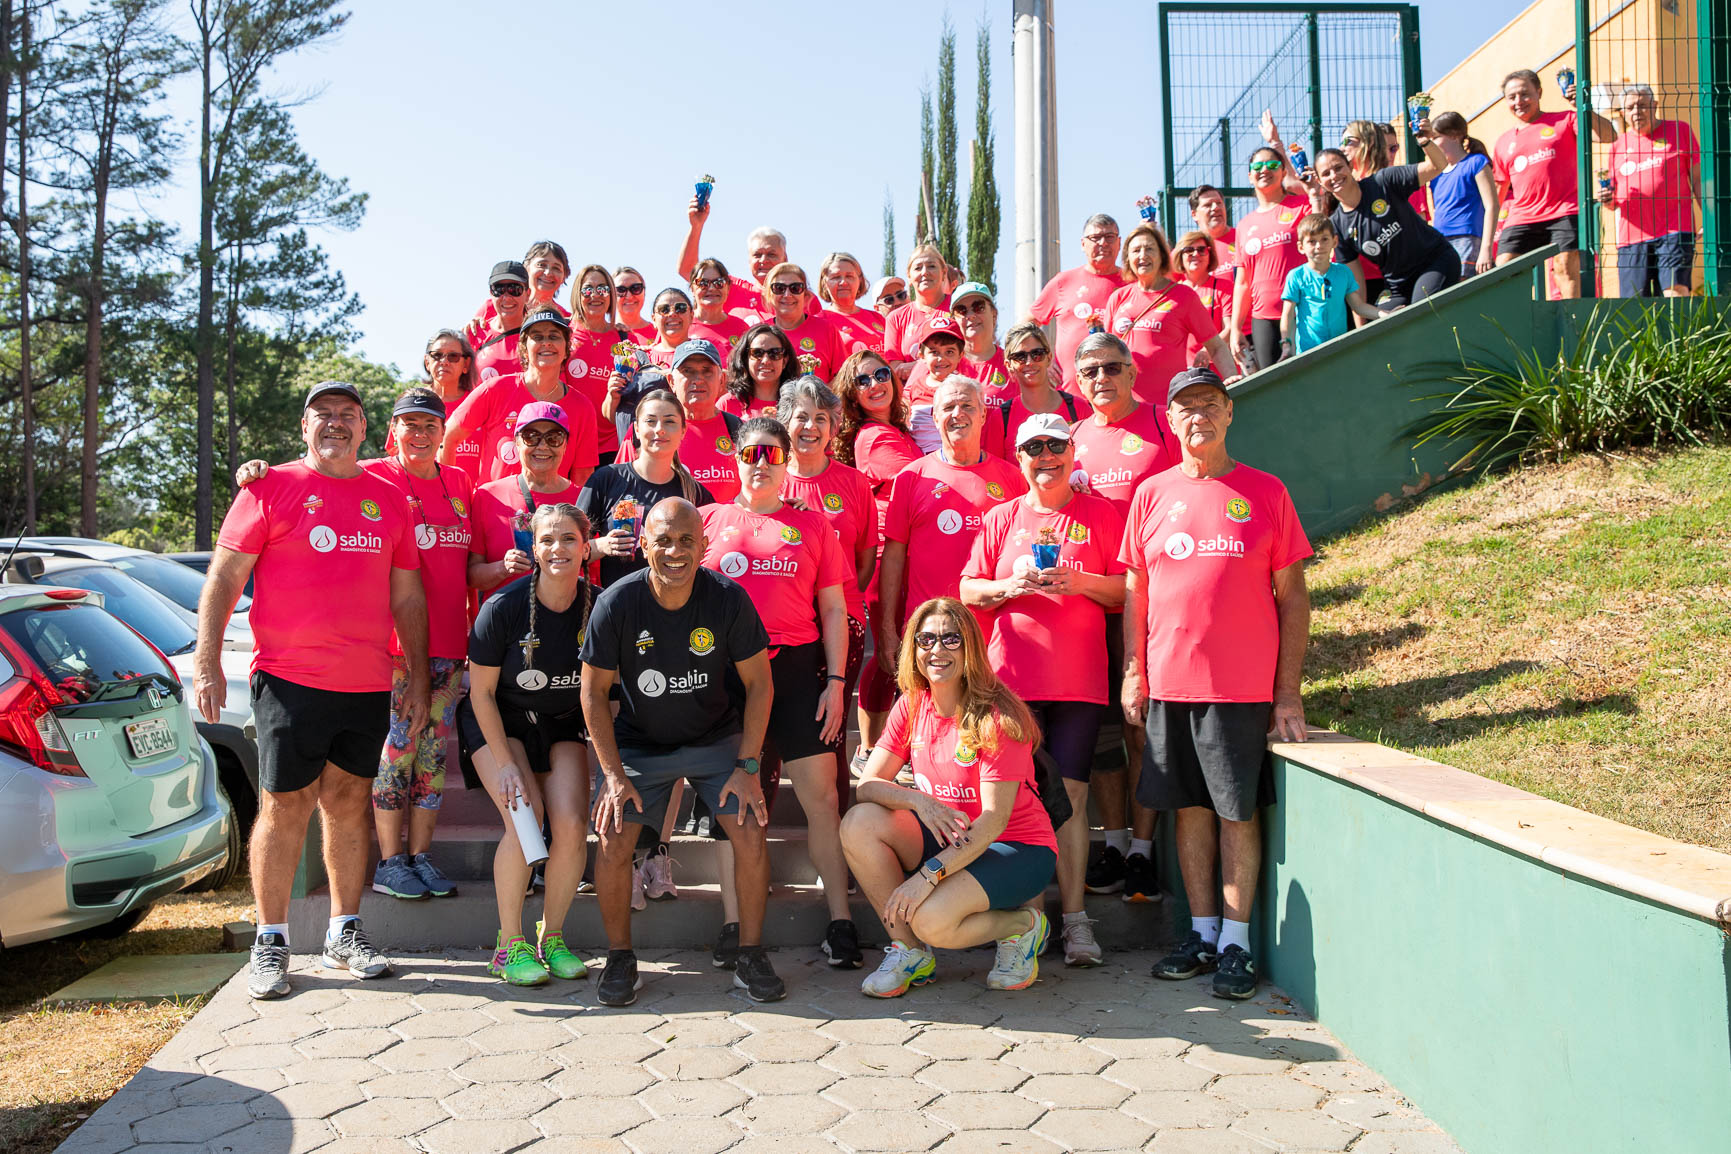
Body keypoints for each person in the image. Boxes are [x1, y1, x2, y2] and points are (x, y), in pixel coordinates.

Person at [195, 380, 428, 1000]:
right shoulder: (268, 487)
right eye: (323, 414)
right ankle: (270, 941)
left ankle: (343, 932)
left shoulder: (390, 499)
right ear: (304, 426)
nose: (335, 423)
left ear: (364, 429)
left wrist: (419, 675)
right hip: (289, 680)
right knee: (285, 805)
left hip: (366, 682)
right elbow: (224, 577)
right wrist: (207, 660)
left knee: (349, 803)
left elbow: (408, 595)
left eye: (348, 414)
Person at [1121, 366, 1312, 1001]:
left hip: (1240, 689)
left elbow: (1293, 597)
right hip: (1169, 685)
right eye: (1185, 407)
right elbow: (1136, 593)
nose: (1197, 415)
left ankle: (1237, 942)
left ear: (1229, 413)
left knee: (1235, 812)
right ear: (1170, 421)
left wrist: (1287, 692)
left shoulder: (1266, 491)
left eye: (1209, 403)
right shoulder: (1150, 494)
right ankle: (1202, 934)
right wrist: (1134, 672)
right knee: (1190, 811)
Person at [580, 498, 785, 1005]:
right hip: (640, 743)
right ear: (643, 544)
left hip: (714, 739)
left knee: (749, 826)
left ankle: (751, 954)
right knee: (612, 836)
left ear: (704, 545)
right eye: (664, 541)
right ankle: (620, 957)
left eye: (686, 541)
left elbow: (760, 685)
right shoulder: (617, 602)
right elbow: (592, 693)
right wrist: (613, 775)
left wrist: (748, 766)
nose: (675, 552)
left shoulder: (727, 599)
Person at [960, 414, 1126, 967]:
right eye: (1034, 447)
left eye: (1056, 445)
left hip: (1079, 684)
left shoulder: (1101, 515)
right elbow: (967, 589)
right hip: (1012, 686)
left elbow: (1129, 589)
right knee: (1019, 803)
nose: (1046, 456)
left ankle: (1076, 922)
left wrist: (1080, 582)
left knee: (1072, 799)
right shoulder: (1001, 517)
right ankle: (1028, 926)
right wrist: (1009, 586)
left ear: (1072, 452)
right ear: (1020, 458)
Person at [699, 416, 857, 970]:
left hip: (796, 673)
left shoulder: (813, 525)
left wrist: (836, 683)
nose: (760, 463)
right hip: (728, 679)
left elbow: (833, 609)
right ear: (736, 459)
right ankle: (734, 925)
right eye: (750, 453)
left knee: (824, 801)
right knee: (733, 806)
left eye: (771, 453)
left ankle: (840, 920)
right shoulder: (708, 520)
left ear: (787, 461)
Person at [841, 597, 1056, 996]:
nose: (936, 649)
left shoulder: (998, 716)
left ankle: (1023, 926)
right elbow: (868, 785)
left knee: (932, 921)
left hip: (1015, 847)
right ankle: (909, 952)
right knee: (860, 822)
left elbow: (992, 821)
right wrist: (919, 801)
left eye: (950, 639)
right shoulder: (911, 705)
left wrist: (927, 877)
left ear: (970, 646)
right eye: (926, 639)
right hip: (950, 836)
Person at [460, 503, 595, 985]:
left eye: (568, 539)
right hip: (500, 718)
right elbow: (480, 694)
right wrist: (505, 765)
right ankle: (509, 945)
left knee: (572, 824)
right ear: (532, 549)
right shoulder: (503, 607)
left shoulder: (601, 605)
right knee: (525, 818)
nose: (558, 548)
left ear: (586, 547)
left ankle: (552, 937)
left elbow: (606, 691)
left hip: (561, 721)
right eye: (547, 540)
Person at [1066, 334, 1174, 902]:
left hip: (1150, 606)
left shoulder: (1162, 424)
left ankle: (1143, 851)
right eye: (1090, 371)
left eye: (1112, 367)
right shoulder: (1073, 438)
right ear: (1078, 382)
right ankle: (1112, 843)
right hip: (1088, 608)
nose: (1101, 378)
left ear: (1132, 372)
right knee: (1105, 736)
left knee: (1142, 729)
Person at [879, 377, 1026, 688]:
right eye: (948, 407)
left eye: (967, 406)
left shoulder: (1013, 479)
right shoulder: (911, 477)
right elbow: (893, 557)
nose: (958, 414)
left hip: (995, 640)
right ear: (934, 417)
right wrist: (888, 630)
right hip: (929, 640)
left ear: (983, 414)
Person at [779, 376, 879, 803]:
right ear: (784, 422)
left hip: (843, 621)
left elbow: (865, 560)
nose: (811, 426)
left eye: (821, 418)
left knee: (831, 729)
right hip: (783, 624)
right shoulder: (769, 480)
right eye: (801, 416)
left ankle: (836, 829)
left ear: (834, 428)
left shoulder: (854, 483)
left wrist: (839, 601)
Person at [834, 349, 922, 769]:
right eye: (862, 380)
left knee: (900, 653)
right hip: (889, 556)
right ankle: (868, 748)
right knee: (890, 654)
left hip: (908, 554)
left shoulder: (898, 431)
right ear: (852, 395)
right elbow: (923, 478)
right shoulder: (873, 436)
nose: (875, 384)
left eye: (881, 374)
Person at [442, 308, 600, 490]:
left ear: (566, 350)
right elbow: (449, 437)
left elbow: (583, 477)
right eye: (537, 337)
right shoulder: (495, 389)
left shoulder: (582, 407)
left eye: (554, 336)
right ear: (524, 349)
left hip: (553, 508)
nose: (546, 343)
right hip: (494, 506)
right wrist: (451, 495)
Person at [1492, 68, 1616, 299]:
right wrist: (1488, 232)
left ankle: (1573, 320)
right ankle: (1518, 320)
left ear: (1539, 93)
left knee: (1564, 269)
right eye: (1512, 97)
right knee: (1504, 270)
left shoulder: (1566, 119)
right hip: (1523, 216)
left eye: (1525, 94)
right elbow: (1499, 189)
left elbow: (1609, 135)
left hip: (1564, 211)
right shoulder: (1503, 141)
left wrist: (1583, 107)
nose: (1519, 101)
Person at [1304, 130, 1460, 311]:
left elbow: (1438, 165)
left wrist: (1425, 142)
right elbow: (1357, 288)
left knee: (1420, 312)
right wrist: (1363, 324)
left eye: (1338, 168)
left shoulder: (1383, 181)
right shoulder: (1337, 225)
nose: (1334, 176)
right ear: (1320, 181)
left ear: (1350, 166)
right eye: (1326, 173)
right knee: (1384, 321)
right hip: (1398, 287)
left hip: (1435, 262)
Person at [580, 389, 716, 589]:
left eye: (669, 422)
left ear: (683, 431)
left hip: (676, 604)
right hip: (618, 603)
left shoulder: (696, 494)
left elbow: (711, 558)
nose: (659, 429)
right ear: (636, 428)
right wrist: (601, 545)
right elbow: (570, 548)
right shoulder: (606, 479)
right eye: (650, 421)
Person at [1104, 223, 1234, 420]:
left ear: (1162, 256)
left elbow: (1216, 347)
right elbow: (1106, 354)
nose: (1143, 255)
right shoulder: (1118, 298)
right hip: (1124, 408)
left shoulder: (1183, 296)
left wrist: (1232, 381)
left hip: (1168, 409)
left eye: (1149, 249)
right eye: (1136, 250)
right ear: (1128, 258)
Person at [468, 401, 584, 602]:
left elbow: (592, 570)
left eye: (554, 438)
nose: (542, 446)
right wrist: (503, 568)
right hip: (507, 617)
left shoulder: (583, 498)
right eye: (531, 437)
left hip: (565, 615)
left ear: (565, 444)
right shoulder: (488, 496)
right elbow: (472, 575)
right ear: (517, 442)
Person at [1600, 84, 1702, 298]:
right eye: (1630, 108)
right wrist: (1607, 199)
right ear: (1623, 113)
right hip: (1631, 237)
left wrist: (1710, 219)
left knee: (1675, 292)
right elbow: (1614, 200)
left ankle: (1680, 324)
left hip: (1675, 229)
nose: (1636, 112)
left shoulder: (1679, 131)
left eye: (1642, 105)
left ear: (1654, 106)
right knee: (1634, 304)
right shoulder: (1618, 146)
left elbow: (1698, 179)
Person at [1026, 214, 1130, 394]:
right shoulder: (1063, 282)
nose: (1103, 243)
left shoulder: (1133, 284)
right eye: (1095, 238)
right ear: (1083, 244)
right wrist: (1041, 360)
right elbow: (1027, 324)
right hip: (1071, 396)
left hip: (1121, 393)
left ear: (1119, 242)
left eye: (1109, 237)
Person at [675, 199, 821, 320]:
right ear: (749, 260)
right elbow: (688, 270)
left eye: (771, 254)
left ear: (785, 258)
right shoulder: (730, 288)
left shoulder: (803, 297)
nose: (764, 260)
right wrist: (696, 226)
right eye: (757, 255)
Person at [1280, 214, 1387, 356]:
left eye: (1324, 239)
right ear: (1301, 247)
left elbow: (1358, 306)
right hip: (1308, 352)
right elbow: (1287, 314)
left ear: (1334, 241)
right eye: (1312, 241)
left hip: (1339, 350)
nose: (1319, 246)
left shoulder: (1343, 272)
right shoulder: (1296, 276)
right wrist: (1286, 344)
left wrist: (1385, 314)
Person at [982, 321, 1081, 459]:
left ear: (1049, 358)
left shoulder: (1078, 409)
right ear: (1009, 365)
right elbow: (994, 468)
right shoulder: (1001, 419)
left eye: (1037, 354)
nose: (1029, 362)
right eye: (1020, 357)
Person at [565, 264, 630, 464]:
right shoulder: (563, 334)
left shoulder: (623, 339)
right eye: (588, 289)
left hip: (611, 446)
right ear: (577, 294)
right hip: (570, 441)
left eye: (602, 289)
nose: (595, 295)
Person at [1427, 112, 1499, 278]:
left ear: (1455, 136)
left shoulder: (1476, 162)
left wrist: (1486, 248)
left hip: (1467, 239)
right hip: (1441, 243)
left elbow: (1492, 206)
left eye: (1435, 137)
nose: (1432, 143)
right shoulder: (1436, 174)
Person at [757, 261, 847, 381]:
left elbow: (841, 378)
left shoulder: (826, 330)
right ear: (769, 294)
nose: (787, 295)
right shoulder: (758, 333)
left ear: (805, 295)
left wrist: (817, 392)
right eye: (779, 288)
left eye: (795, 288)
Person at [902, 313, 969, 452]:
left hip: (951, 458)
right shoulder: (916, 387)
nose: (941, 358)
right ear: (921, 356)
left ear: (960, 355)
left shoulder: (965, 389)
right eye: (934, 352)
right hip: (919, 458)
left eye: (949, 352)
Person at [882, 244, 952, 374]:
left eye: (931, 266)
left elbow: (970, 353)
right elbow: (895, 368)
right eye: (918, 268)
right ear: (909, 277)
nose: (925, 272)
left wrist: (918, 366)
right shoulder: (895, 318)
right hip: (912, 387)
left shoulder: (958, 308)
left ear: (943, 273)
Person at [1173, 230, 1236, 365]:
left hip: (1217, 367)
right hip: (1183, 370)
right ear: (1180, 256)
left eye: (1202, 250)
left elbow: (1230, 328)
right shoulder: (1173, 293)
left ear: (1210, 255)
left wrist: (1207, 351)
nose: (1196, 254)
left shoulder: (1223, 287)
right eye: (1189, 250)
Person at [466, 261, 532, 387]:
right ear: (491, 293)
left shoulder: (539, 335)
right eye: (499, 290)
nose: (506, 297)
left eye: (514, 289)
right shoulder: (474, 334)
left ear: (527, 294)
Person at [817, 251, 889, 355]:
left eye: (849, 276)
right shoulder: (819, 322)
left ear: (860, 280)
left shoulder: (878, 318)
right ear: (824, 283)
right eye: (835, 277)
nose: (843, 282)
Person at [723, 323, 799, 418]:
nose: (766, 361)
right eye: (757, 353)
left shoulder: (799, 404)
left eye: (774, 353)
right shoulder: (727, 404)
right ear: (745, 359)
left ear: (784, 361)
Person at [951, 281, 1010, 396]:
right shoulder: (942, 364)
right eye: (961, 311)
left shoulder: (1013, 365)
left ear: (994, 315)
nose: (970, 315)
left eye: (978, 307)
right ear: (954, 320)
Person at [688, 257, 752, 356]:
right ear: (692, 289)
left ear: (728, 288)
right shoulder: (682, 323)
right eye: (703, 283)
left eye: (719, 282)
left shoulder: (741, 328)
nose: (711, 288)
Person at [639, 288, 694, 371]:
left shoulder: (706, 354)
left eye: (680, 308)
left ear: (691, 316)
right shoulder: (641, 358)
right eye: (664, 309)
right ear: (654, 319)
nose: (672, 314)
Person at [1188, 187, 1238, 271]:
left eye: (1219, 203)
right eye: (1208, 205)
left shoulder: (1242, 238)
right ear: (1194, 214)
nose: (1216, 207)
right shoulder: (1187, 250)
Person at [614, 265, 656, 345]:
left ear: (644, 292)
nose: (629, 296)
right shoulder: (603, 335)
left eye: (636, 288)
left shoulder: (660, 334)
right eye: (620, 290)